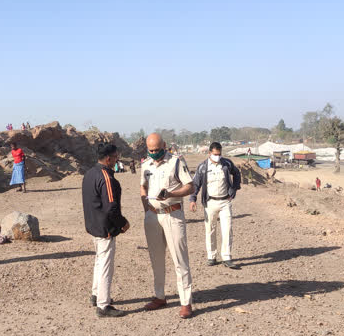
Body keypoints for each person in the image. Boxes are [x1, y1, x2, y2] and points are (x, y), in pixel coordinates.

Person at [140, 133, 195, 319]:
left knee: (180, 260)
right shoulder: (145, 165)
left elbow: (190, 186)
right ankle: (159, 296)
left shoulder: (176, 162)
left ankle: (186, 302)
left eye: (157, 149)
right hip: (153, 217)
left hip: (173, 214)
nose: (154, 153)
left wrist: (171, 193)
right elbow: (143, 187)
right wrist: (146, 208)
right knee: (156, 259)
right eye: (151, 150)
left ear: (164, 145)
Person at [82, 143, 130, 317]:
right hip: (104, 228)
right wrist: (122, 223)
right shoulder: (106, 177)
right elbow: (111, 206)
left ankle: (96, 295)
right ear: (109, 158)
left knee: (99, 261)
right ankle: (103, 305)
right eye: (116, 157)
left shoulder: (89, 173)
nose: (117, 160)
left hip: (93, 225)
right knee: (105, 266)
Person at [189, 142, 242, 270]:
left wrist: (234, 188)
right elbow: (195, 184)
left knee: (227, 229)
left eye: (219, 154)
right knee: (210, 229)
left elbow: (237, 174)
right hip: (210, 202)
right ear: (209, 153)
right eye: (215, 154)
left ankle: (227, 257)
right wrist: (193, 199)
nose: (217, 156)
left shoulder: (227, 164)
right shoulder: (202, 167)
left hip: (225, 202)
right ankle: (211, 256)